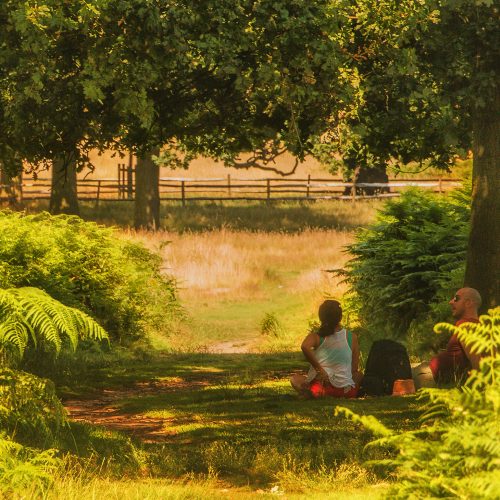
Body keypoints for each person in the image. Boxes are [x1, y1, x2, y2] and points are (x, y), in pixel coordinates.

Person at [290, 300, 363, 398]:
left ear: (321, 318)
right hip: (348, 392)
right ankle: (346, 391)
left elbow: (304, 346)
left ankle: (311, 393)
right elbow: (354, 369)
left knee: (295, 378)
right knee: (359, 375)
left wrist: (319, 369)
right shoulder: (352, 337)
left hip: (321, 389)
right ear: (340, 317)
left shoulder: (316, 336)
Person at [414, 287, 482, 388]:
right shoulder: (480, 327)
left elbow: (476, 360)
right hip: (429, 369)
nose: (451, 302)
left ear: (468, 303)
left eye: (456, 298)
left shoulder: (467, 326)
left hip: (429, 375)